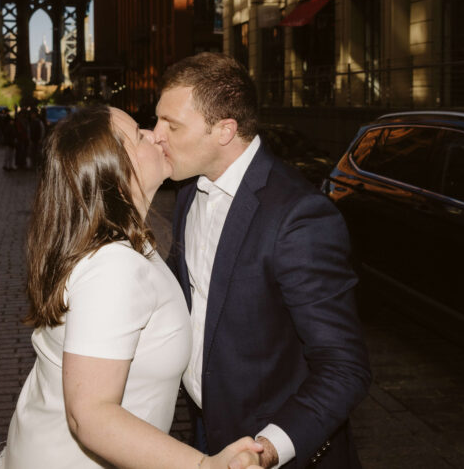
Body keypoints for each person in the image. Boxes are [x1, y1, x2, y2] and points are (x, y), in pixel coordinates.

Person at [0, 105, 264, 469]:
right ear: (116, 173)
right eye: (139, 134)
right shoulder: (113, 268)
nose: (155, 134)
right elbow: (89, 415)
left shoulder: (114, 248)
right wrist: (203, 467)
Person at [153, 52, 371, 468]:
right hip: (204, 428)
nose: (156, 134)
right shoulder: (187, 192)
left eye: (171, 124)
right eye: (158, 119)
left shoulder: (298, 216)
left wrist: (266, 449)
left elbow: (345, 367)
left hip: (276, 448)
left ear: (224, 130)